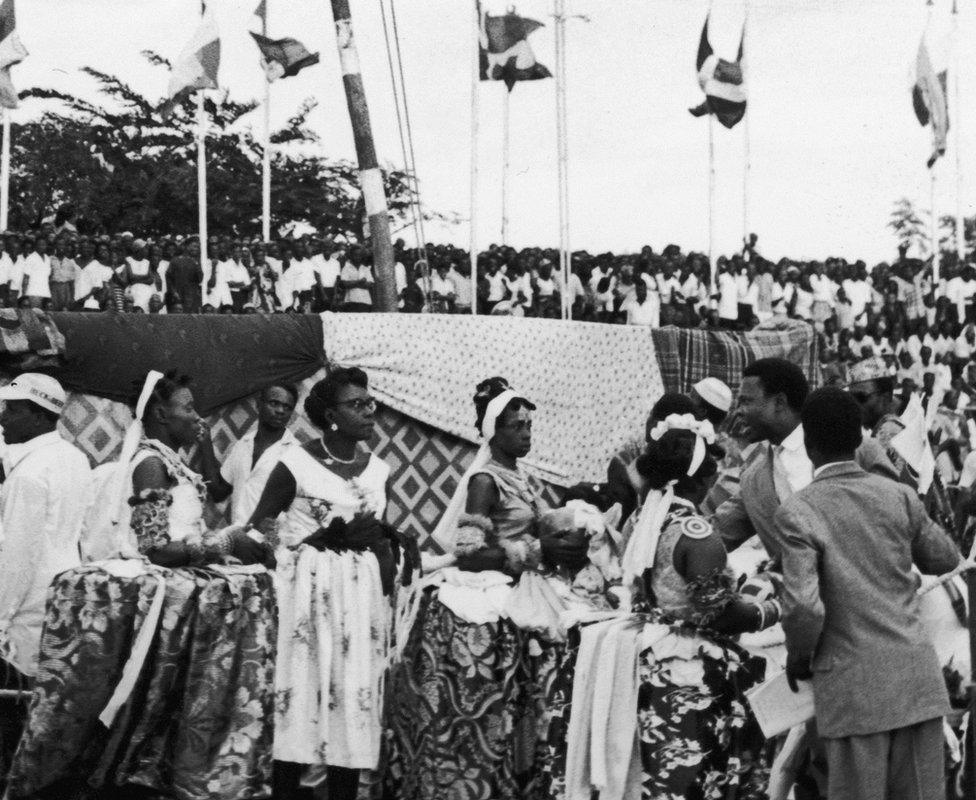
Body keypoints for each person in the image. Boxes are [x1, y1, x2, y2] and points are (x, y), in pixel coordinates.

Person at [7, 370, 276, 800]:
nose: (196, 417)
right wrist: (224, 541)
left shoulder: (174, 463)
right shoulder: (150, 465)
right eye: (187, 409)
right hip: (156, 599)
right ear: (159, 413)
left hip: (178, 591)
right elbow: (155, 547)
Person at [547, 416, 779, 799]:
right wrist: (774, 607)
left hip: (640, 654)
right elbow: (721, 615)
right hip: (684, 663)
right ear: (705, 478)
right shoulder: (697, 534)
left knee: (644, 769)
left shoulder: (643, 520)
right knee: (690, 766)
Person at [384, 377, 591, 800]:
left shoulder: (521, 476)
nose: (526, 433)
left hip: (524, 580)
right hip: (492, 584)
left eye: (529, 426)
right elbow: (470, 553)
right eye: (517, 427)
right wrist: (534, 549)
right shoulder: (485, 480)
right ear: (494, 431)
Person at [777, 387, 961, 800]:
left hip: (855, 691)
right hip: (917, 682)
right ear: (861, 439)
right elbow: (945, 558)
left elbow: (805, 608)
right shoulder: (897, 495)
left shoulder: (800, 511)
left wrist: (799, 656)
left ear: (808, 444)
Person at [247, 368, 413, 800]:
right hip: (307, 593)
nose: (368, 411)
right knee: (300, 692)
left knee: (353, 695)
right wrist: (279, 556)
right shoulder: (295, 463)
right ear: (329, 414)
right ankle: (285, 791)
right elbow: (259, 526)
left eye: (370, 403)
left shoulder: (379, 469)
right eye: (357, 405)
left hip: (360, 597)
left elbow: (377, 531)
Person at [713, 357, 899, 562]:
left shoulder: (859, 449)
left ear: (779, 403)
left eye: (746, 401)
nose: (739, 410)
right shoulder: (753, 477)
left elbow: (896, 518)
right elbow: (717, 534)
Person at [0, 374, 90, 785]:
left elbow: (15, 557)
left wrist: (0, 621)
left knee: (13, 718)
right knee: (43, 713)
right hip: (62, 601)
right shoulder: (73, 458)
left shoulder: (29, 475)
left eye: (13, 409)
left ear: (39, 415)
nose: (4, 417)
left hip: (26, 608)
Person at [211, 383, 299, 525]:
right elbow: (219, 492)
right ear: (259, 404)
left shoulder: (296, 454)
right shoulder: (243, 444)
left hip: (266, 541)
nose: (280, 410)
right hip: (233, 537)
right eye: (274, 403)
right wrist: (205, 445)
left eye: (287, 407)